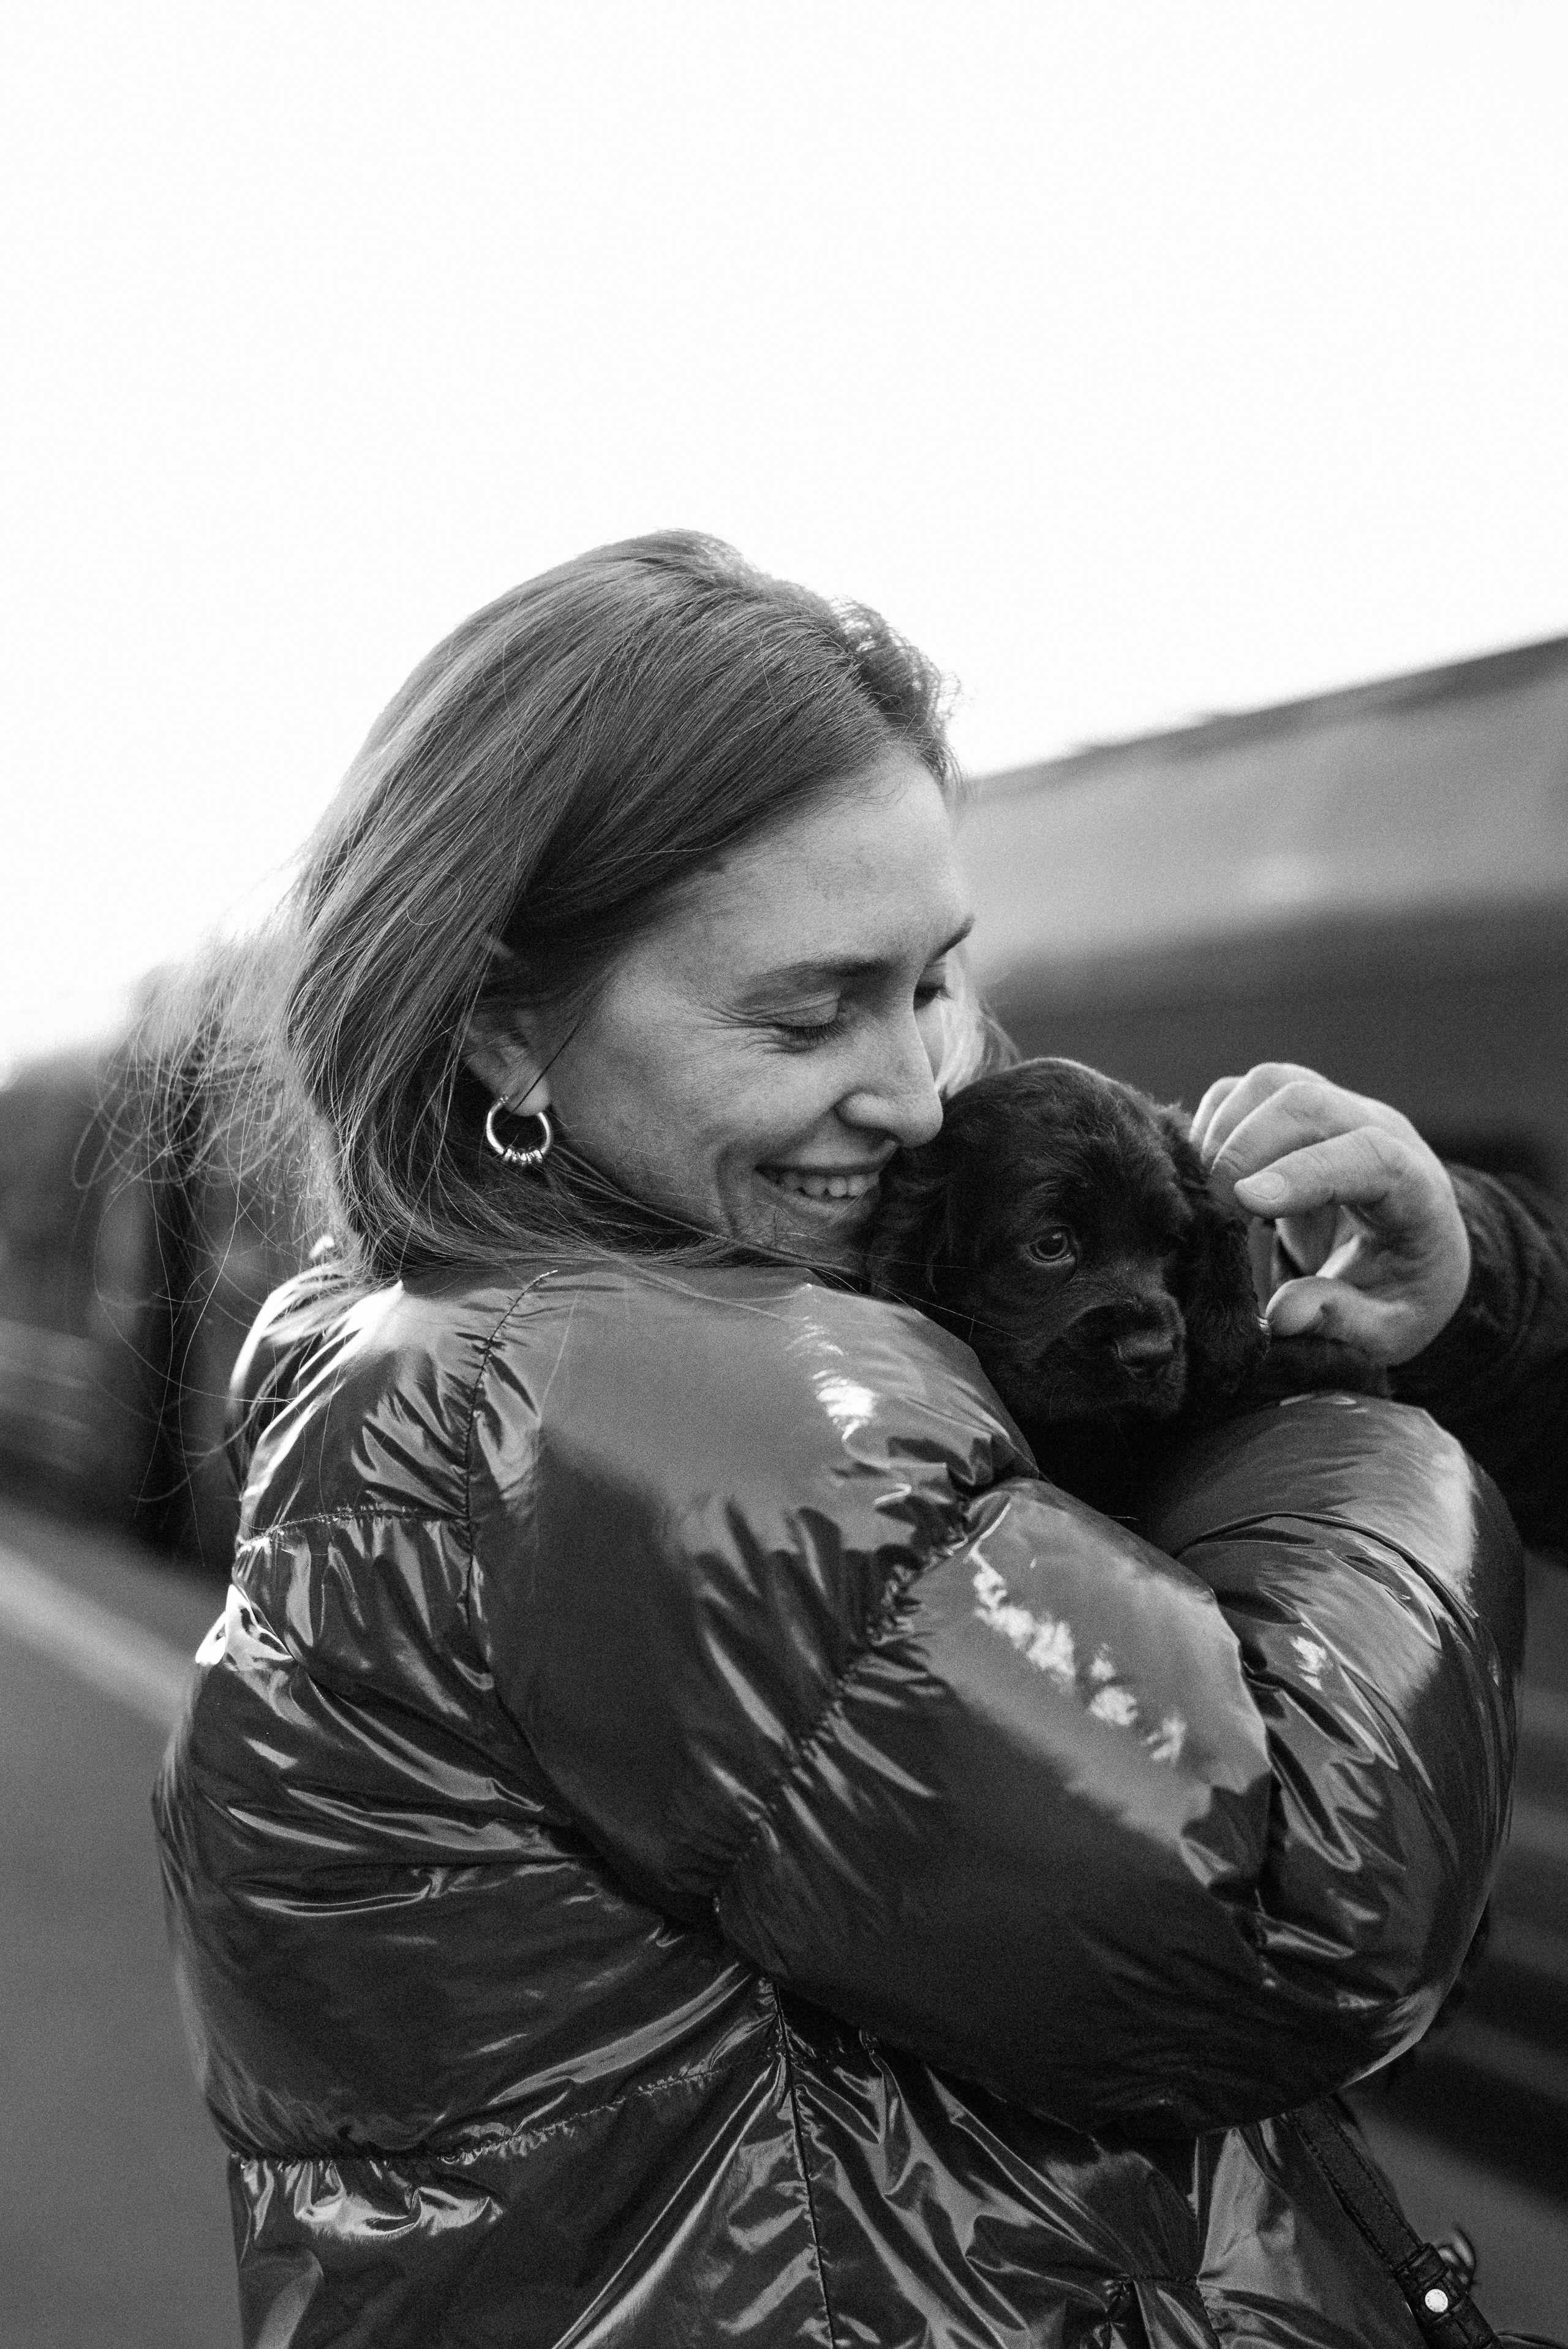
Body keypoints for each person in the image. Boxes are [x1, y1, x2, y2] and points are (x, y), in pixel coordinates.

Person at [154, 534, 1536, 2349]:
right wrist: (1350, 1418)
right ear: (503, 1030)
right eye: (809, 1012)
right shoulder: (641, 1398)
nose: (913, 1091)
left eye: (932, 981)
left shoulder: (434, 1341)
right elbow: (1305, 1893)